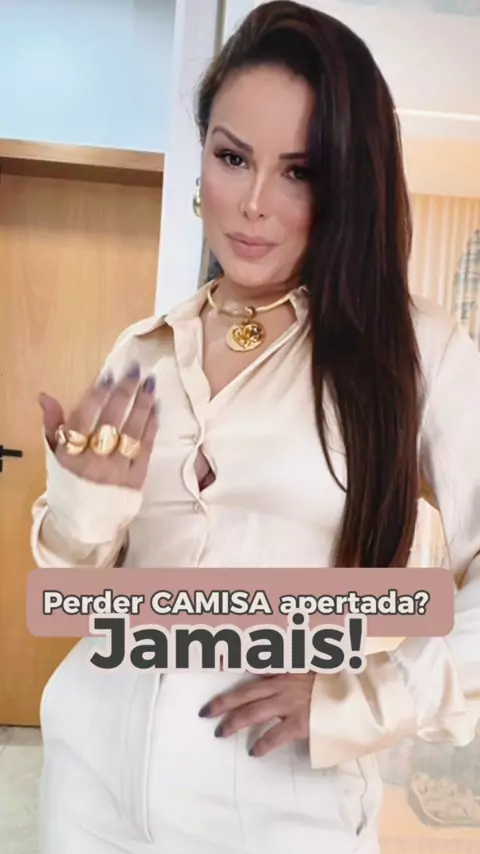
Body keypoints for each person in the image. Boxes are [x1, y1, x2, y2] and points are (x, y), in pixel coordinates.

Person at [32, 2, 480, 852]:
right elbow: (80, 591)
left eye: (299, 171)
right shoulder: (143, 349)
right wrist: (82, 512)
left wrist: (369, 698)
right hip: (90, 782)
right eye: (233, 157)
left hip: (280, 806)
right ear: (203, 155)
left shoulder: (420, 354)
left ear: (346, 184)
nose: (254, 204)